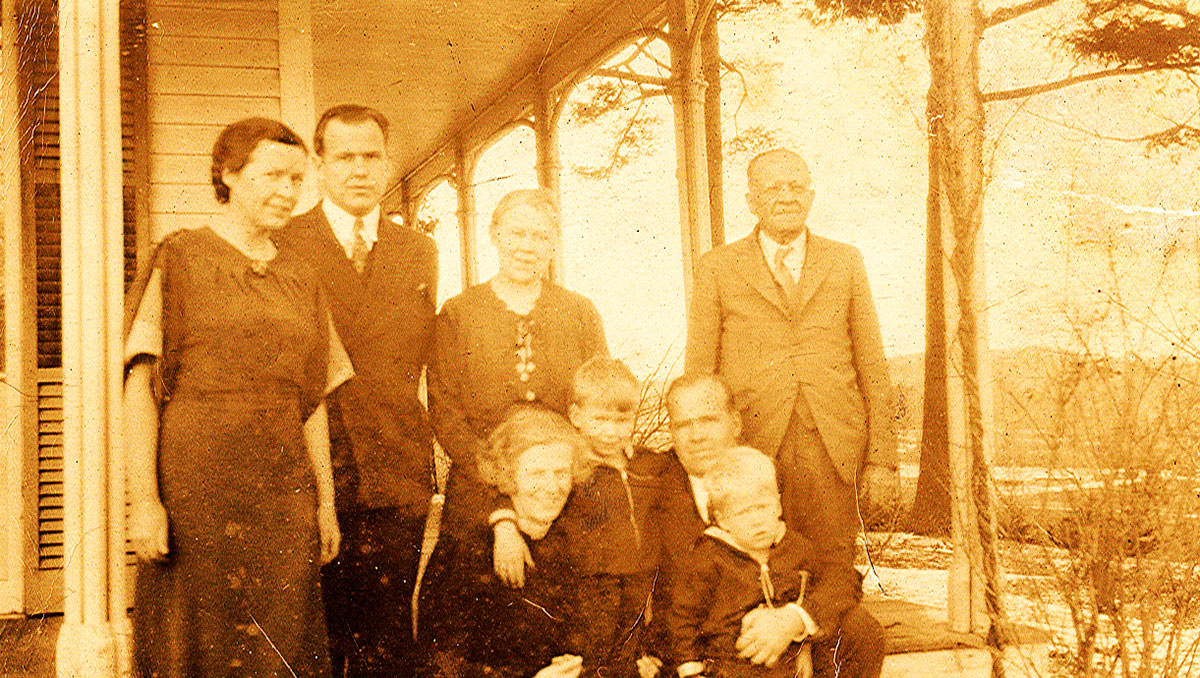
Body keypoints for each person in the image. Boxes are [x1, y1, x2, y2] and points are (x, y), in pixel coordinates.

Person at [124, 117, 351, 677]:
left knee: (282, 642)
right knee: (192, 640)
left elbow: (312, 401)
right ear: (228, 175)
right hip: (195, 489)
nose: (288, 192)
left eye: (298, 179)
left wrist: (324, 501)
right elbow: (141, 390)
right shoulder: (177, 259)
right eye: (273, 175)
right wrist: (145, 501)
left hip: (282, 493)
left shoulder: (303, 277)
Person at [274, 104, 438, 677]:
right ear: (319, 165)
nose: (360, 169)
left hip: (397, 472)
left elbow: (416, 360)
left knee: (389, 636)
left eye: (371, 156)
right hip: (316, 471)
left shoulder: (419, 251)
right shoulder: (287, 243)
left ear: (388, 162)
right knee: (318, 635)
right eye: (344, 157)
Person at [685, 148, 898, 568]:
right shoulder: (717, 267)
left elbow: (873, 363)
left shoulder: (845, 261)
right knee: (757, 564)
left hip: (832, 447)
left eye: (796, 187)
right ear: (751, 201)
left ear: (811, 196)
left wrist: (883, 459)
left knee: (834, 565)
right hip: (753, 444)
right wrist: (707, 459)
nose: (786, 197)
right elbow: (699, 376)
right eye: (772, 188)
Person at [429, 187, 607, 581]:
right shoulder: (459, 314)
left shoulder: (579, 313)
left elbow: (599, 400)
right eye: (517, 233)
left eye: (541, 236)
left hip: (561, 487)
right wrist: (498, 487)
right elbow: (444, 411)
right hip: (480, 484)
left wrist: (564, 472)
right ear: (495, 235)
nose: (528, 246)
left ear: (554, 244)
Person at [668, 448, 884, 678]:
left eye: (763, 507)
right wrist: (690, 669)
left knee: (859, 631)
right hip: (730, 666)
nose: (757, 521)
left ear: (779, 506)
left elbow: (834, 582)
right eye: (744, 512)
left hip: (790, 665)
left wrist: (799, 621)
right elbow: (683, 618)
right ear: (723, 520)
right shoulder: (710, 557)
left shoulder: (795, 548)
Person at [417, 407, 595, 678]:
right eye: (536, 474)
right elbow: (439, 665)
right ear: (510, 476)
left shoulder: (571, 545)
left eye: (561, 473)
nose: (551, 487)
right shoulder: (467, 549)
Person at [561, 356, 671, 677]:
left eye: (622, 421)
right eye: (601, 420)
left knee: (632, 655)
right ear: (576, 416)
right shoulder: (573, 469)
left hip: (641, 579)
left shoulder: (646, 465)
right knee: (592, 658)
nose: (611, 431)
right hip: (592, 584)